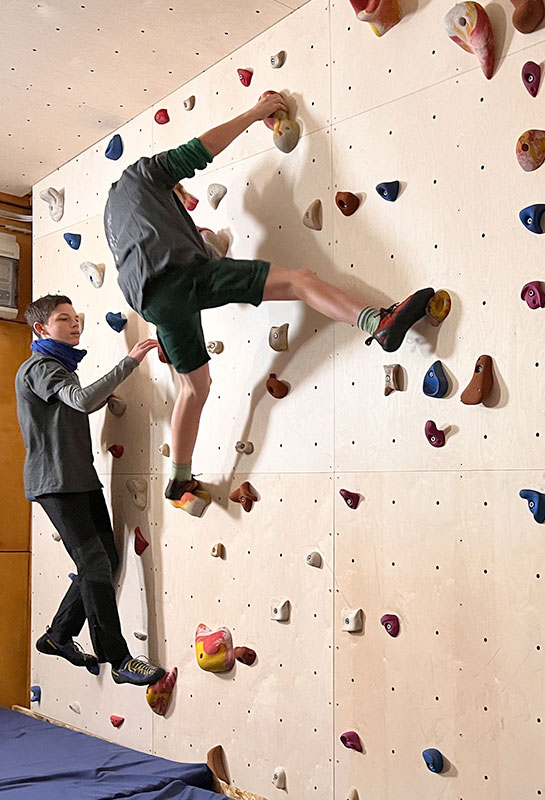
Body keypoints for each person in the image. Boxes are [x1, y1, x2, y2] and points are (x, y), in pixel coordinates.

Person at [104, 90, 436, 517]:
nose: (186, 199)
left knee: (195, 387)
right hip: (180, 279)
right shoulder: (141, 176)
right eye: (182, 193)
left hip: (155, 302)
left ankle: (180, 480)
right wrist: (256, 112)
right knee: (300, 281)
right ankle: (377, 322)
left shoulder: (118, 215)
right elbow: (198, 151)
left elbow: (172, 250)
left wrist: (203, 241)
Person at [16, 294, 167, 686]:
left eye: (75, 318)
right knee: (95, 564)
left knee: (106, 560)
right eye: (63, 319)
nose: (74, 324)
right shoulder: (41, 367)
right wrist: (130, 362)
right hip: (57, 483)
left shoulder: (61, 368)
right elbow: (79, 401)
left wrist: (100, 399)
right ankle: (117, 659)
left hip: (78, 478)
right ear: (41, 329)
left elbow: (69, 409)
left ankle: (58, 635)